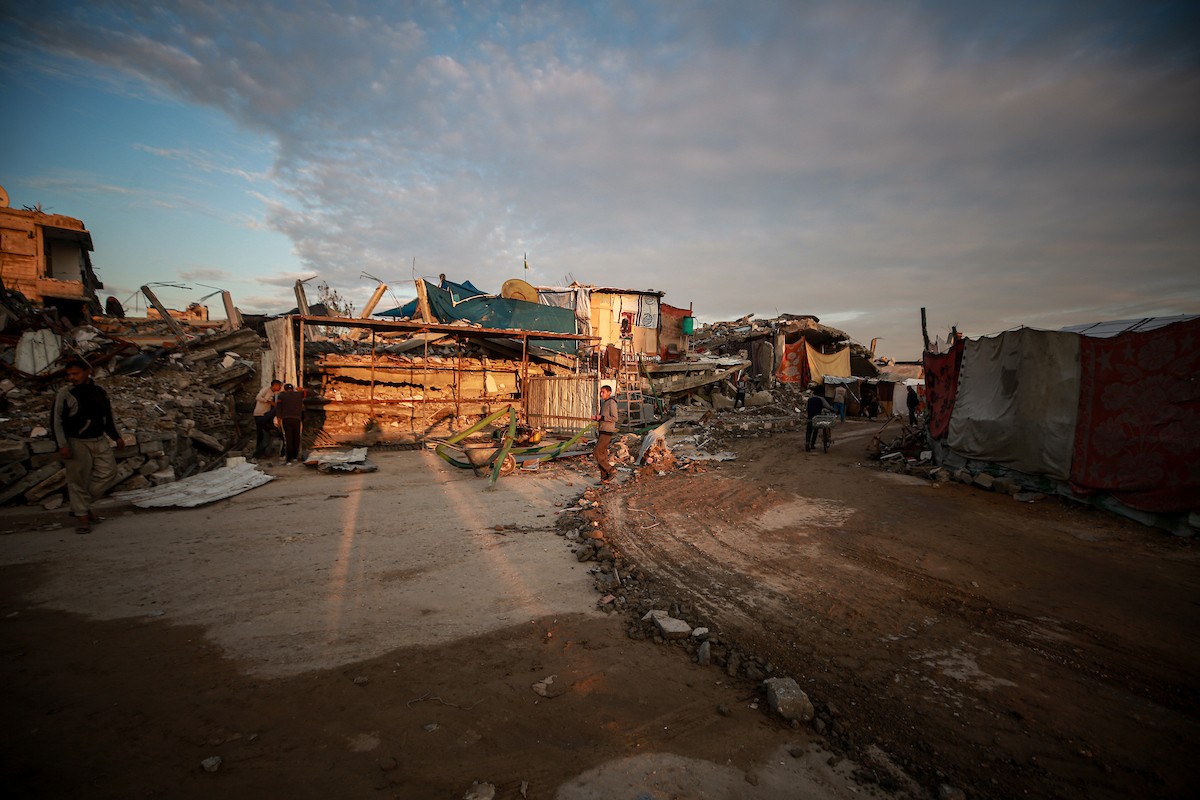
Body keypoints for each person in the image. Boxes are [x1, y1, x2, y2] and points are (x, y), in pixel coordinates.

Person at [51, 358, 124, 534]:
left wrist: (116, 437)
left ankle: (80, 506)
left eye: (75, 373)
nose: (72, 377)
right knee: (77, 480)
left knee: (109, 472)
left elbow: (107, 417)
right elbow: (56, 422)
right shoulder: (65, 394)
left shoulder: (99, 391)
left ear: (87, 372)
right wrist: (62, 445)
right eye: (69, 374)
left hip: (99, 439)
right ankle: (82, 518)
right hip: (77, 442)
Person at [592, 384, 619, 482]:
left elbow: (615, 418)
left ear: (609, 392)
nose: (601, 393)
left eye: (603, 392)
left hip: (607, 431)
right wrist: (597, 418)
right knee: (602, 454)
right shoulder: (604, 402)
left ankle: (611, 470)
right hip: (602, 430)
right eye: (601, 391)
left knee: (596, 452)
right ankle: (604, 478)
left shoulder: (612, 402)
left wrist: (602, 418)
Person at [275, 383, 307, 464]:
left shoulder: (281, 396)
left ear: (285, 389)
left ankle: (289, 459)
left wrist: (279, 419)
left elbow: (278, 408)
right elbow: (310, 393)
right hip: (297, 419)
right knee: (296, 437)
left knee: (288, 438)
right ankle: (295, 456)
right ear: (293, 389)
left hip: (286, 419)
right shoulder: (299, 395)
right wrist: (302, 390)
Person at [252, 379, 282, 460]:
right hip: (259, 414)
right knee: (261, 434)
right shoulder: (266, 389)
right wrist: (268, 401)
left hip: (266, 415)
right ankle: (257, 454)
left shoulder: (274, 393)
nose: (280, 387)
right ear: (274, 385)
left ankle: (264, 452)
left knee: (267, 434)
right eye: (279, 386)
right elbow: (258, 397)